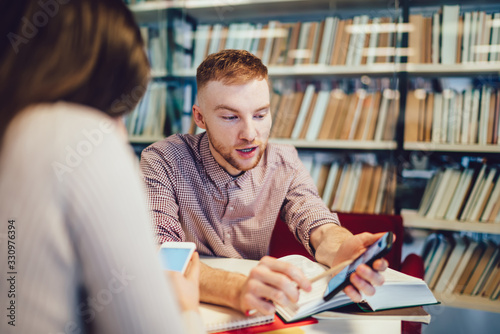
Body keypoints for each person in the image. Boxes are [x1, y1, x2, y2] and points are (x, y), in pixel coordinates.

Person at [0, 1, 204, 333]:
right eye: (118, 111)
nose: (120, 132)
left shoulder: (14, 131)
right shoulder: (78, 136)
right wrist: (185, 310)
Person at [140, 49, 389, 316]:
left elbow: (316, 221)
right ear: (200, 118)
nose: (250, 134)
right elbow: (160, 254)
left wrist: (341, 248)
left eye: (260, 115)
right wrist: (235, 288)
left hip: (255, 307)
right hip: (181, 310)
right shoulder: (163, 160)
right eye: (230, 117)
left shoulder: (283, 161)